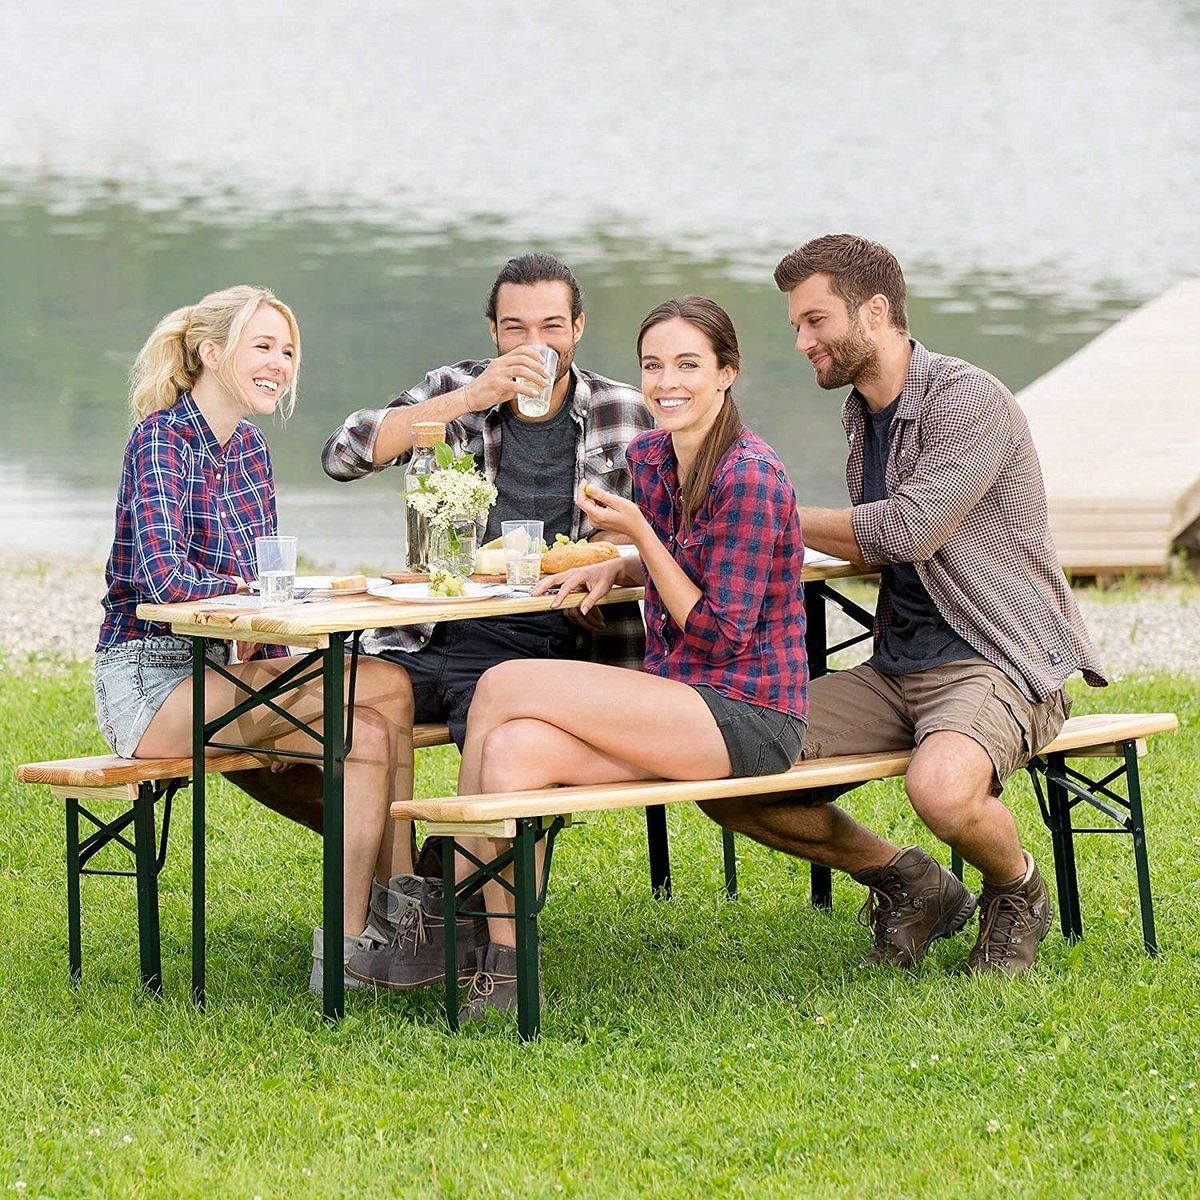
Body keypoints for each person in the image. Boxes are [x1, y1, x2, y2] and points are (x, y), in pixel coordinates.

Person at [348, 295, 810, 1014]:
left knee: (503, 686)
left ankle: (436, 924)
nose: (667, 383)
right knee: (515, 754)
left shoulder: (748, 475)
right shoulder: (654, 456)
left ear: (727, 374)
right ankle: (499, 966)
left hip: (746, 714)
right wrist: (616, 567)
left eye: (689, 365)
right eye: (654, 365)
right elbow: (677, 566)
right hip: (675, 701)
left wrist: (637, 539)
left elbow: (718, 632)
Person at [700, 235, 1107, 975]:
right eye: (797, 325)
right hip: (896, 668)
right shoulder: (863, 415)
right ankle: (910, 882)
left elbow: (909, 528)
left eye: (815, 321)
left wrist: (772, 511)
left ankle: (1016, 891)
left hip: (998, 659)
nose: (802, 341)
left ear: (876, 310)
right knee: (721, 761)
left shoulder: (969, 399)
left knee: (941, 790)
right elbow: (873, 545)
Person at [320, 253, 651, 985]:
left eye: (551, 327)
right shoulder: (454, 388)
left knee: (506, 751)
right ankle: (401, 919)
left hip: (555, 644)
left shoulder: (625, 410)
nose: (534, 343)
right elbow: (342, 455)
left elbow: (674, 525)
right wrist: (467, 397)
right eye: (515, 327)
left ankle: (484, 937)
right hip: (432, 630)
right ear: (494, 331)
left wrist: (608, 555)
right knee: (343, 714)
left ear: (579, 328)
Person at [93, 285, 418, 992]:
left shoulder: (252, 451)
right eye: (263, 346)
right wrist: (277, 598)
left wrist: (291, 620)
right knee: (386, 683)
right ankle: (405, 916)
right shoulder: (159, 440)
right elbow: (162, 581)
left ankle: (359, 940)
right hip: (148, 683)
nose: (280, 364)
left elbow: (263, 589)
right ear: (212, 353)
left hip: (220, 674)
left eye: (288, 351)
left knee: (370, 727)